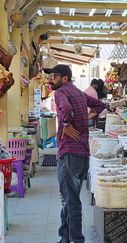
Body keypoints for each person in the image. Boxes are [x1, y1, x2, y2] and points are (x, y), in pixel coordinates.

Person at [43, 65, 106, 243]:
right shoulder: (78, 93)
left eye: (54, 77)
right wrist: (85, 119)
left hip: (69, 153)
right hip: (81, 154)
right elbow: (100, 105)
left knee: (71, 201)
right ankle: (64, 237)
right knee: (69, 198)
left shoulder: (61, 92)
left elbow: (66, 110)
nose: (50, 80)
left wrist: (66, 124)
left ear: (64, 78)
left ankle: (77, 239)